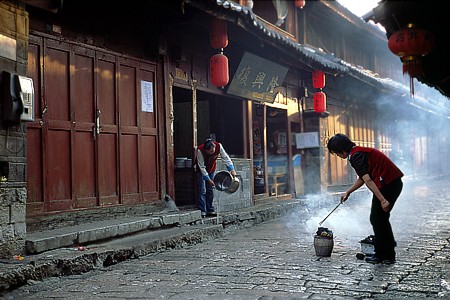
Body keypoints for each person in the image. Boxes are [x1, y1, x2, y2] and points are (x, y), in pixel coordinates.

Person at [327, 133, 403, 264]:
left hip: (389, 184)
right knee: (379, 218)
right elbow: (362, 178)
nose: (338, 156)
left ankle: (385, 255)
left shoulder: (356, 156)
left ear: (342, 150)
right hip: (390, 183)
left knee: (378, 218)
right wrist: (348, 192)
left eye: (337, 153)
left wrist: (383, 200)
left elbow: (367, 180)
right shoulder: (357, 152)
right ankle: (385, 253)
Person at [195, 138, 237, 218]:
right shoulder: (200, 151)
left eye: (213, 150)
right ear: (206, 150)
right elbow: (201, 167)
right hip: (201, 171)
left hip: (211, 169)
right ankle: (203, 210)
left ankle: (210, 209)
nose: (212, 153)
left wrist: (231, 169)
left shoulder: (218, 146)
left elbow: (226, 158)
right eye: (210, 152)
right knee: (202, 190)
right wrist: (208, 179)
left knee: (210, 189)